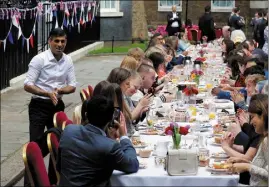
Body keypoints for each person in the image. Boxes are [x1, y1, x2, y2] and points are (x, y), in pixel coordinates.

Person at [23, 28, 76, 186]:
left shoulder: (68, 60)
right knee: (35, 146)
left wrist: (59, 90)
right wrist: (47, 93)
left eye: (63, 41)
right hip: (39, 105)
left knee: (59, 144)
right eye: (56, 41)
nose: (60, 44)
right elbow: (27, 85)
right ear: (50, 41)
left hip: (57, 104)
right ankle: (30, 183)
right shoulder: (39, 59)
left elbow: (72, 85)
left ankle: (52, 181)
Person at [57, 96, 139, 186]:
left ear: (86, 115)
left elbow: (59, 166)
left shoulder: (68, 130)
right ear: (110, 119)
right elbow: (132, 165)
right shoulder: (109, 146)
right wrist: (124, 136)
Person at [227, 94, 268, 186]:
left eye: (252, 117)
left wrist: (247, 166)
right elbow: (261, 166)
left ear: (263, 116)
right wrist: (243, 161)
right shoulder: (264, 138)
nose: (250, 122)